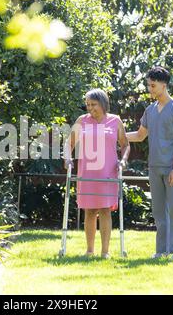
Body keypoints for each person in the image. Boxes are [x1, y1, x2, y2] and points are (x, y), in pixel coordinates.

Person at [126, 66, 173, 261]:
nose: (150, 89)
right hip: (154, 167)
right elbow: (139, 135)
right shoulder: (150, 110)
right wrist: (116, 136)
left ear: (164, 85)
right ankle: (161, 250)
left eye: (153, 86)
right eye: (148, 85)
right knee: (159, 212)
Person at [64, 89, 130, 259]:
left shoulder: (115, 121)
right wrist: (67, 159)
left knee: (105, 210)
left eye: (93, 104)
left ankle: (105, 252)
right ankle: (90, 250)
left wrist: (123, 160)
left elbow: (125, 145)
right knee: (90, 211)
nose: (90, 108)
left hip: (108, 172)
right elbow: (68, 144)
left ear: (103, 103)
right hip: (86, 173)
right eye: (87, 105)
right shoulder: (82, 121)